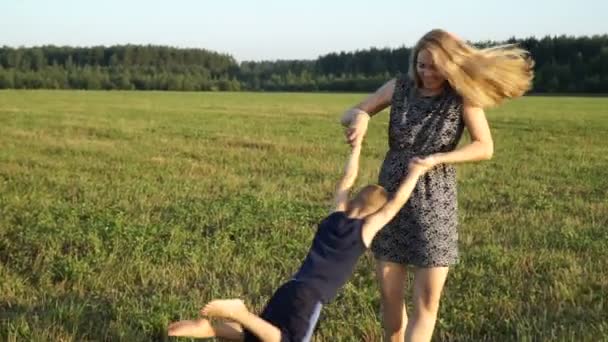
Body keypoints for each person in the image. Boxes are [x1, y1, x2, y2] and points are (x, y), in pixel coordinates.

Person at [340, 28, 534, 342]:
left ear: (452, 64)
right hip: (390, 196)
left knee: (426, 302)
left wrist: (436, 160)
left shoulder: (462, 96)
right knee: (389, 294)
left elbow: (484, 146)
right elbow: (350, 112)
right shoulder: (399, 87)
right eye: (422, 65)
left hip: (435, 200)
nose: (428, 73)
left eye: (436, 66)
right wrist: (360, 116)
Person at [167, 138, 431, 341]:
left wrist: (357, 146)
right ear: (373, 213)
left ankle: (213, 329)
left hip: (291, 286)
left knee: (262, 334)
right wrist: (416, 172)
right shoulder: (365, 229)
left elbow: (346, 180)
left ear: (354, 202)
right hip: (310, 297)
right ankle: (239, 313)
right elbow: (395, 204)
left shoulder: (334, 216)